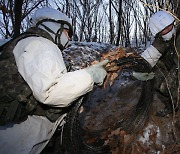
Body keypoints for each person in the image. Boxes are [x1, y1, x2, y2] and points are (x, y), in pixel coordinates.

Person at [0, 7, 108, 154]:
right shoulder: (40, 45)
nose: (69, 38)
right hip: (23, 135)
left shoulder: (20, 42)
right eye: (67, 32)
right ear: (54, 26)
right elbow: (51, 92)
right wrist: (90, 76)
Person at [136, 11, 179, 117]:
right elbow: (150, 56)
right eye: (163, 30)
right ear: (158, 33)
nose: (168, 30)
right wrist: (138, 67)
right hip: (173, 65)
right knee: (153, 77)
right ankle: (171, 106)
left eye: (169, 26)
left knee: (166, 87)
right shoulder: (160, 41)